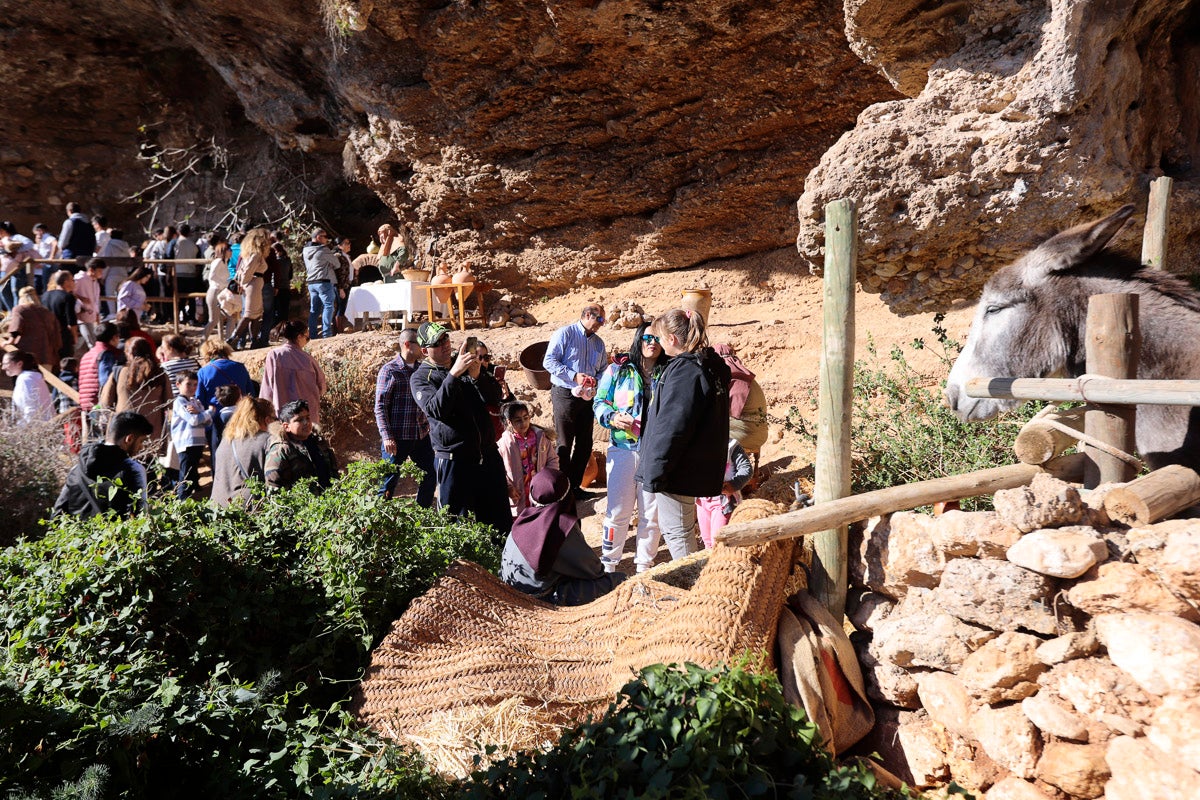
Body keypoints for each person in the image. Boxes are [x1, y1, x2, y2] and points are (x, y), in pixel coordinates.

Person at [635, 309, 731, 560]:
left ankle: (693, 582)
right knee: (683, 530)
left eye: (659, 338)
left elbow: (672, 426)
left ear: (672, 339)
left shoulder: (685, 372)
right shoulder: (707, 365)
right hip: (696, 464)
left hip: (678, 470)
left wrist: (656, 470)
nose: (657, 343)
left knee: (678, 533)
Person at [411, 321, 512, 536]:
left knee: (500, 522)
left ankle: (502, 558)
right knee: (457, 527)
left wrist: (477, 376)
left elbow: (494, 397)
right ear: (425, 351)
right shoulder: (421, 377)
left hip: (487, 455)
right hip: (455, 460)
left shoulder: (464, 363)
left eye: (446, 338)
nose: (445, 345)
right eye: (437, 343)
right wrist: (453, 375)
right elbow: (436, 409)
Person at [593, 322, 667, 573]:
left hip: (654, 452)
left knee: (651, 514)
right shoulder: (618, 369)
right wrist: (613, 417)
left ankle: (644, 567)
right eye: (647, 338)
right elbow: (599, 401)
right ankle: (608, 566)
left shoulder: (668, 371)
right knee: (617, 510)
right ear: (638, 339)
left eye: (657, 338)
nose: (652, 343)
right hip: (623, 448)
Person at [500, 468, 625, 606]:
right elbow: (595, 570)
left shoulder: (522, 520)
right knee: (618, 580)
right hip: (540, 598)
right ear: (568, 495)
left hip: (511, 587)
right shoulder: (560, 528)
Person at [543, 303, 608, 498]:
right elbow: (549, 361)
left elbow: (603, 369)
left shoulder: (599, 343)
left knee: (585, 443)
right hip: (565, 393)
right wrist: (574, 376)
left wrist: (596, 380)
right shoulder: (565, 334)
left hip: (587, 396)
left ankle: (575, 487)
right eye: (600, 319)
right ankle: (562, 490)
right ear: (587, 315)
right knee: (564, 442)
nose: (601, 324)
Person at [52, 410, 153, 519]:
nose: (142, 447)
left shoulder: (77, 469)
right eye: (141, 441)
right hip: (113, 530)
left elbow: (58, 513)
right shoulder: (133, 469)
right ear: (129, 439)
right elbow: (141, 516)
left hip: (77, 529)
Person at [374, 327, 435, 504]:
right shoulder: (390, 370)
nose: (423, 348)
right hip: (397, 438)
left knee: (430, 475)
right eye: (420, 343)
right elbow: (380, 406)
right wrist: (387, 436)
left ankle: (422, 513)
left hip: (420, 435)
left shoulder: (422, 369)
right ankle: (379, 517)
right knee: (388, 483)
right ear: (407, 345)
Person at [259, 319, 328, 426]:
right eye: (307, 338)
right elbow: (322, 387)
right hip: (308, 419)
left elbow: (267, 389)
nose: (307, 341)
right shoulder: (308, 359)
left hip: (283, 417)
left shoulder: (274, 355)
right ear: (299, 337)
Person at [497, 401, 559, 516]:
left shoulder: (540, 438)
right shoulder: (504, 444)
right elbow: (498, 470)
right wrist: (508, 487)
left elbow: (552, 460)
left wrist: (548, 480)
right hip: (518, 494)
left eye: (526, 418)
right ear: (509, 422)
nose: (523, 423)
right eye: (518, 420)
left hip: (540, 490)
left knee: (542, 518)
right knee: (523, 521)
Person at [211, 396, 275, 506]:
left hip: (217, 506)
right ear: (267, 419)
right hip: (247, 506)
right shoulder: (267, 440)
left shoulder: (226, 440)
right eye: (274, 418)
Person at [265, 399, 338, 492]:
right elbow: (273, 487)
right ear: (286, 426)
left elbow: (333, 472)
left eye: (307, 418)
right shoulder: (281, 450)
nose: (306, 422)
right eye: (299, 420)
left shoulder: (318, 441)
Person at [113, 337, 172, 451]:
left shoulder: (122, 372)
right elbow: (169, 402)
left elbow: (105, 401)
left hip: (125, 433)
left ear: (130, 353)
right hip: (152, 434)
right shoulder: (160, 373)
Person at [696, 439, 754, 548]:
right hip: (702, 501)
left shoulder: (731, 446)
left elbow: (746, 469)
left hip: (723, 502)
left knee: (718, 541)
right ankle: (710, 557)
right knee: (707, 541)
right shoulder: (694, 445)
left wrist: (734, 484)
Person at [715, 344, 769, 457]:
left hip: (746, 435)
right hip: (761, 434)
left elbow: (724, 412)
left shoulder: (734, 380)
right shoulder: (748, 379)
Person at [169, 370, 212, 499]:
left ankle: (195, 490)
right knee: (186, 471)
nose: (192, 388)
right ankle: (182, 498)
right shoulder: (179, 402)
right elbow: (193, 420)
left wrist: (200, 413)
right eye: (188, 384)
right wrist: (208, 412)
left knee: (193, 467)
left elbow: (208, 422)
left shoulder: (195, 401)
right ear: (178, 384)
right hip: (186, 442)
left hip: (197, 441)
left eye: (195, 384)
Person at [227, 227, 270, 349]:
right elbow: (248, 271)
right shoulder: (256, 254)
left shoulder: (248, 254)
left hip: (253, 284)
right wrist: (243, 283)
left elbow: (243, 270)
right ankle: (232, 339)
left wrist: (242, 283)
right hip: (253, 284)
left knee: (255, 315)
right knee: (249, 314)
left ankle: (254, 341)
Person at [6, 286, 61, 371]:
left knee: (26, 378)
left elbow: (16, 328)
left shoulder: (20, 309)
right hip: (47, 356)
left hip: (27, 356)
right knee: (43, 379)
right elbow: (57, 338)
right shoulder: (48, 313)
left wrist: (10, 341)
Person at [78, 322, 122, 416]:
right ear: (114, 337)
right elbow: (106, 382)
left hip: (86, 404)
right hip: (100, 404)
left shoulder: (86, 355)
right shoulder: (108, 354)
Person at [303, 228, 340, 339]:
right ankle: (326, 333)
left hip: (311, 282)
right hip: (324, 282)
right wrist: (333, 258)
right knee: (328, 306)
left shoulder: (305, 250)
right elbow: (337, 264)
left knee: (314, 310)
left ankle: (312, 335)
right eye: (325, 237)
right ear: (318, 237)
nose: (327, 239)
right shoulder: (324, 249)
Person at [476, 341, 515, 440]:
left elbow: (511, 405)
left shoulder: (493, 373)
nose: (483, 362)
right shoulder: (465, 379)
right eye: (479, 358)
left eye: (486, 358)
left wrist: (506, 396)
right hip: (480, 430)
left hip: (499, 427)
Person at [3, 349, 53, 422]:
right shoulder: (29, 377)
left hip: (35, 426)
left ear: (19, 364)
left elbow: (31, 408)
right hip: (41, 424)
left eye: (5, 364)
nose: (3, 368)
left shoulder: (26, 380)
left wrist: (26, 427)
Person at [42, 270, 79, 358]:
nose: (74, 282)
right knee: (65, 360)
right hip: (62, 335)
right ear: (66, 282)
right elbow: (71, 320)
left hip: (47, 334)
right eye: (72, 280)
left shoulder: (45, 295)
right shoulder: (68, 297)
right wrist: (75, 336)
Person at [202, 234, 232, 338]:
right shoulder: (218, 261)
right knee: (213, 320)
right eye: (229, 250)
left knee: (231, 317)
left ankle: (229, 341)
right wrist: (225, 284)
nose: (231, 252)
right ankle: (203, 340)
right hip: (215, 291)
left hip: (222, 292)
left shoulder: (226, 263)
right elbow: (212, 276)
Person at [72, 258, 105, 348]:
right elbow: (70, 291)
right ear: (91, 270)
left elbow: (95, 301)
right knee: (92, 342)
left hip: (91, 316)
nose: (101, 273)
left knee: (80, 343)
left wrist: (97, 314)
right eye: (99, 271)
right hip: (81, 316)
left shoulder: (96, 283)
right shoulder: (80, 279)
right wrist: (81, 298)